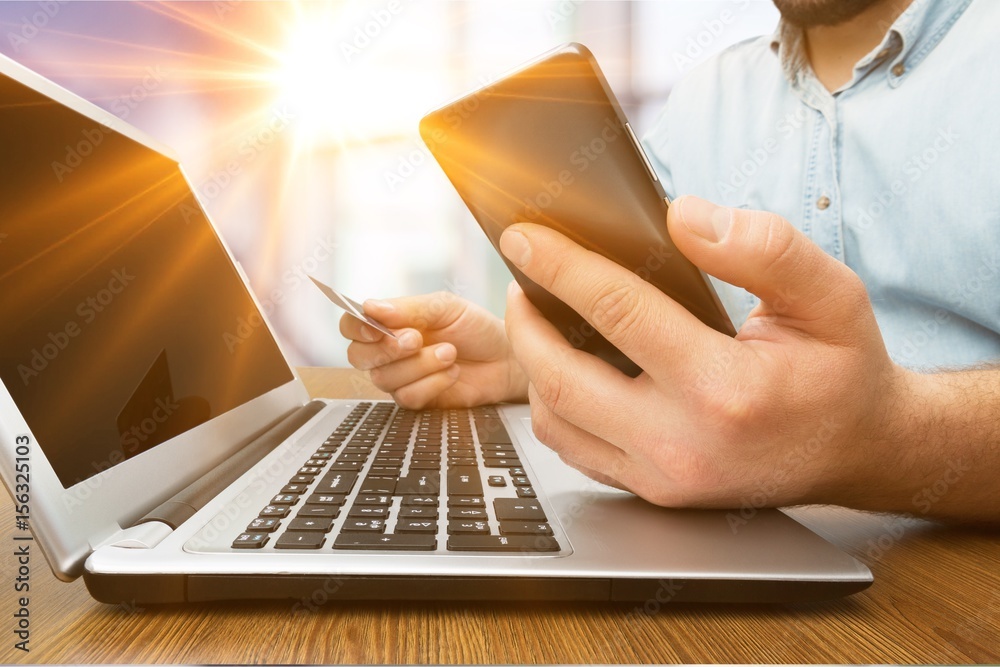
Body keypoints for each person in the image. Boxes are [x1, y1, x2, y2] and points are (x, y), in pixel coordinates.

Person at [340, 0, 1000, 523]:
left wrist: (883, 438)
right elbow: (689, 342)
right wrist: (530, 359)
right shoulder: (705, 98)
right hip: (733, 554)